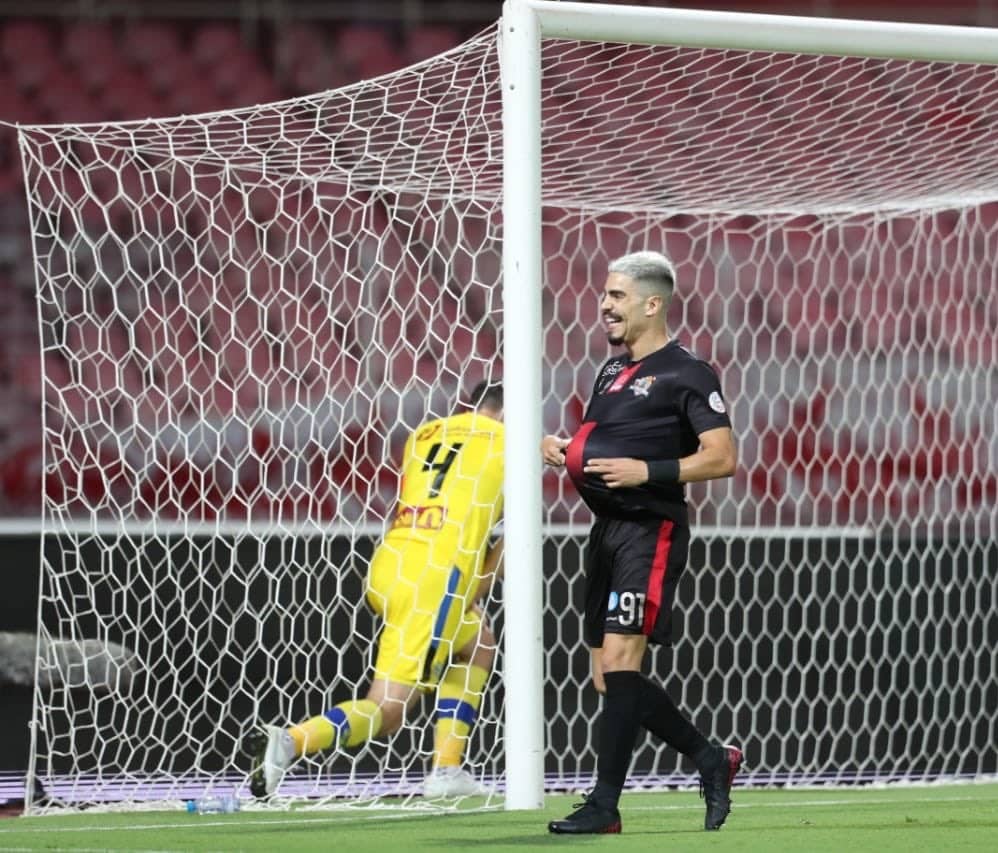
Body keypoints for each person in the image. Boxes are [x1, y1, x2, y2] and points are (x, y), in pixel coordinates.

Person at [541, 251, 741, 834]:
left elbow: (722, 458)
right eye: (605, 294)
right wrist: (565, 449)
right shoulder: (611, 371)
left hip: (649, 529)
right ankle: (710, 757)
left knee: (623, 661)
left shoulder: (689, 373)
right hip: (606, 530)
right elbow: (607, 441)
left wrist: (646, 472)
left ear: (653, 304)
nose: (604, 305)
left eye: (617, 296)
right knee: (607, 675)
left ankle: (604, 808)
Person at [248, 381, 505, 800]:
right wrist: (475, 585)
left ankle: (447, 766)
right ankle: (291, 741)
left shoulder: (424, 434)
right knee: (389, 711)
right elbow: (513, 537)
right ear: (504, 414)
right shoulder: (508, 440)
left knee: (478, 641)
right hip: (436, 578)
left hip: (393, 561)